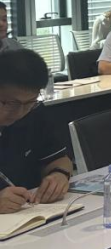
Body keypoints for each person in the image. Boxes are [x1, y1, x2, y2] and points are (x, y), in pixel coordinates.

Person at [0, 51, 73, 213]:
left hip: (28, 212)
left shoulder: (34, 112)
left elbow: (60, 159)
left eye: (29, 103)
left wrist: (59, 175)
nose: (19, 113)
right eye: (11, 103)